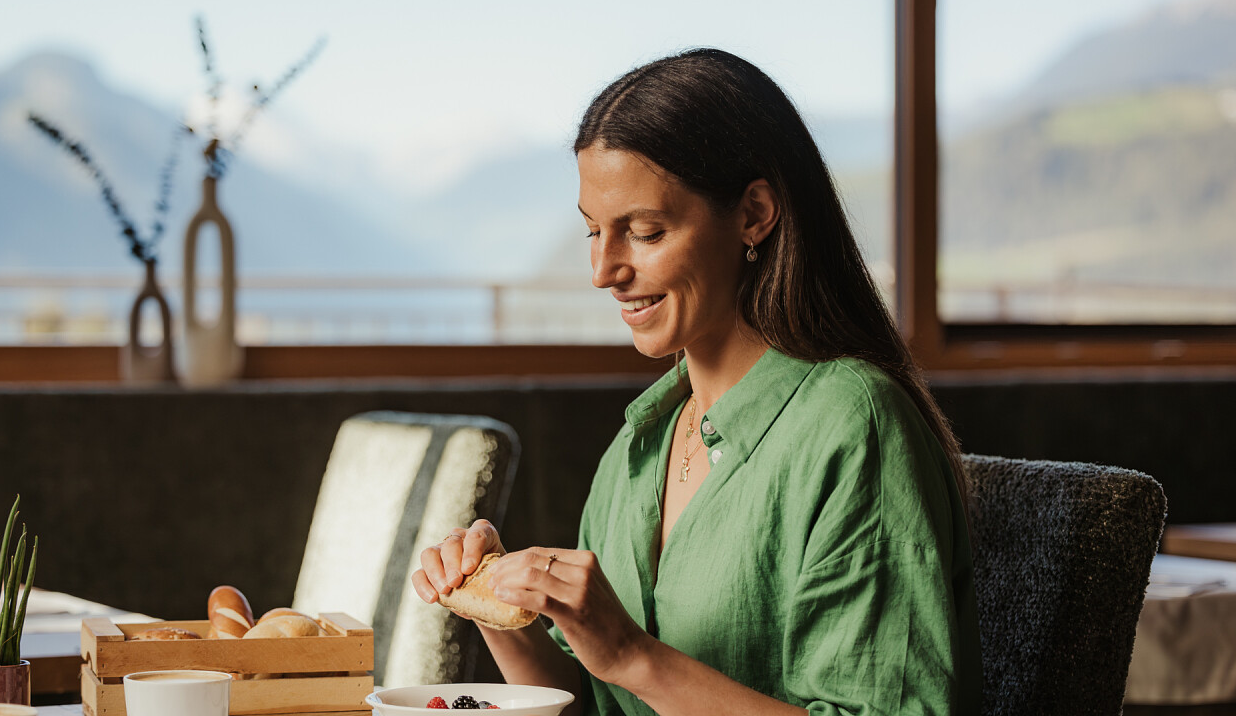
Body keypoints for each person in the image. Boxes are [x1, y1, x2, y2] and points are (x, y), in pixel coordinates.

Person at [411, 48, 982, 716]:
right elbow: (599, 703)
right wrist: (499, 605)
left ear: (754, 214)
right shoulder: (641, 446)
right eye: (594, 230)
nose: (603, 269)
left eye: (644, 231)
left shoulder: (855, 427)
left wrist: (632, 655)